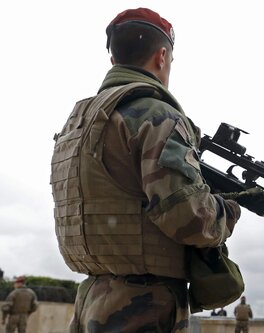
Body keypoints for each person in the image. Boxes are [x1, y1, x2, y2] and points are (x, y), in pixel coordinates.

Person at [50, 7, 241, 332]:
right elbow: (189, 219)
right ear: (162, 56)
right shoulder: (156, 116)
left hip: (92, 298)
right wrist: (227, 210)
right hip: (144, 305)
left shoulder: (78, 123)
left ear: (114, 61)